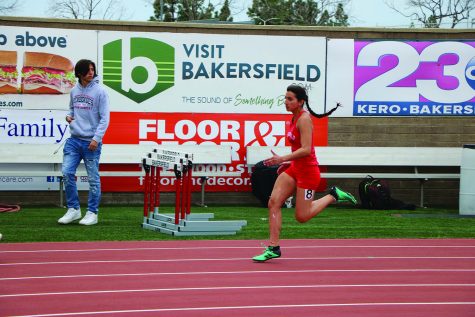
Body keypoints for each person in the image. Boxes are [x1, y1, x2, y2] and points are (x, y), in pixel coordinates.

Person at [252, 85, 357, 262]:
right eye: (285, 98)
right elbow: (298, 148)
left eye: (290, 99)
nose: (286, 102)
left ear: (300, 102)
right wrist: (287, 162)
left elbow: (307, 150)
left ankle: (333, 195)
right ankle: (273, 247)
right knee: (273, 202)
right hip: (295, 168)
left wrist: (282, 158)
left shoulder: (304, 119)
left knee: (302, 216)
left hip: (308, 172)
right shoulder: (293, 118)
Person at [57, 59, 110, 226]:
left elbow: (105, 119)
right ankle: (73, 209)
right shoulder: (74, 91)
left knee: (93, 179)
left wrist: (96, 139)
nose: (91, 72)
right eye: (87, 70)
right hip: (74, 140)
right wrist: (68, 116)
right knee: (66, 172)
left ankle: (92, 213)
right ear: (79, 73)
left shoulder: (100, 91)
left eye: (92, 69)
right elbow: (71, 109)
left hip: (91, 143)